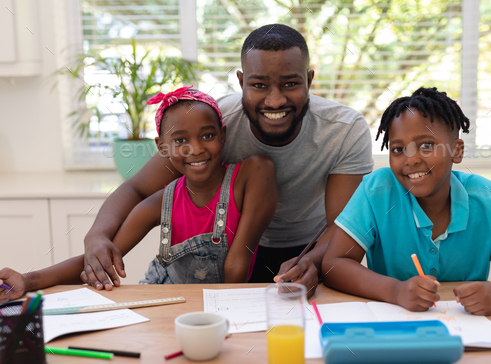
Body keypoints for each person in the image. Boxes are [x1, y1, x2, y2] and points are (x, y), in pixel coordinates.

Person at [78, 24, 373, 295]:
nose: (274, 100)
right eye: (259, 85)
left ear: (308, 80)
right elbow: (137, 188)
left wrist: (310, 260)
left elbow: (342, 224)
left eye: (290, 84)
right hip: (233, 252)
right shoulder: (213, 128)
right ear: (241, 81)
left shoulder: (345, 130)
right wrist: (97, 235)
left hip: (312, 249)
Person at [0, 88, 277, 302]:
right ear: (163, 147)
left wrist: (216, 317)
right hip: (165, 302)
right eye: (180, 140)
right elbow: (100, 261)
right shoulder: (160, 202)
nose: (195, 148)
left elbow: (238, 263)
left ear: (223, 135)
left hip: (218, 306)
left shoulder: (251, 175)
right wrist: (28, 281)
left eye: (207, 136)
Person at [321, 87, 491, 316]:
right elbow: (334, 264)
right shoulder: (377, 192)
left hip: (468, 329)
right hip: (393, 327)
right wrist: (395, 290)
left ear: (456, 151)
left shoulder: (486, 200)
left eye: (426, 145)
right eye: (398, 149)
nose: (411, 160)